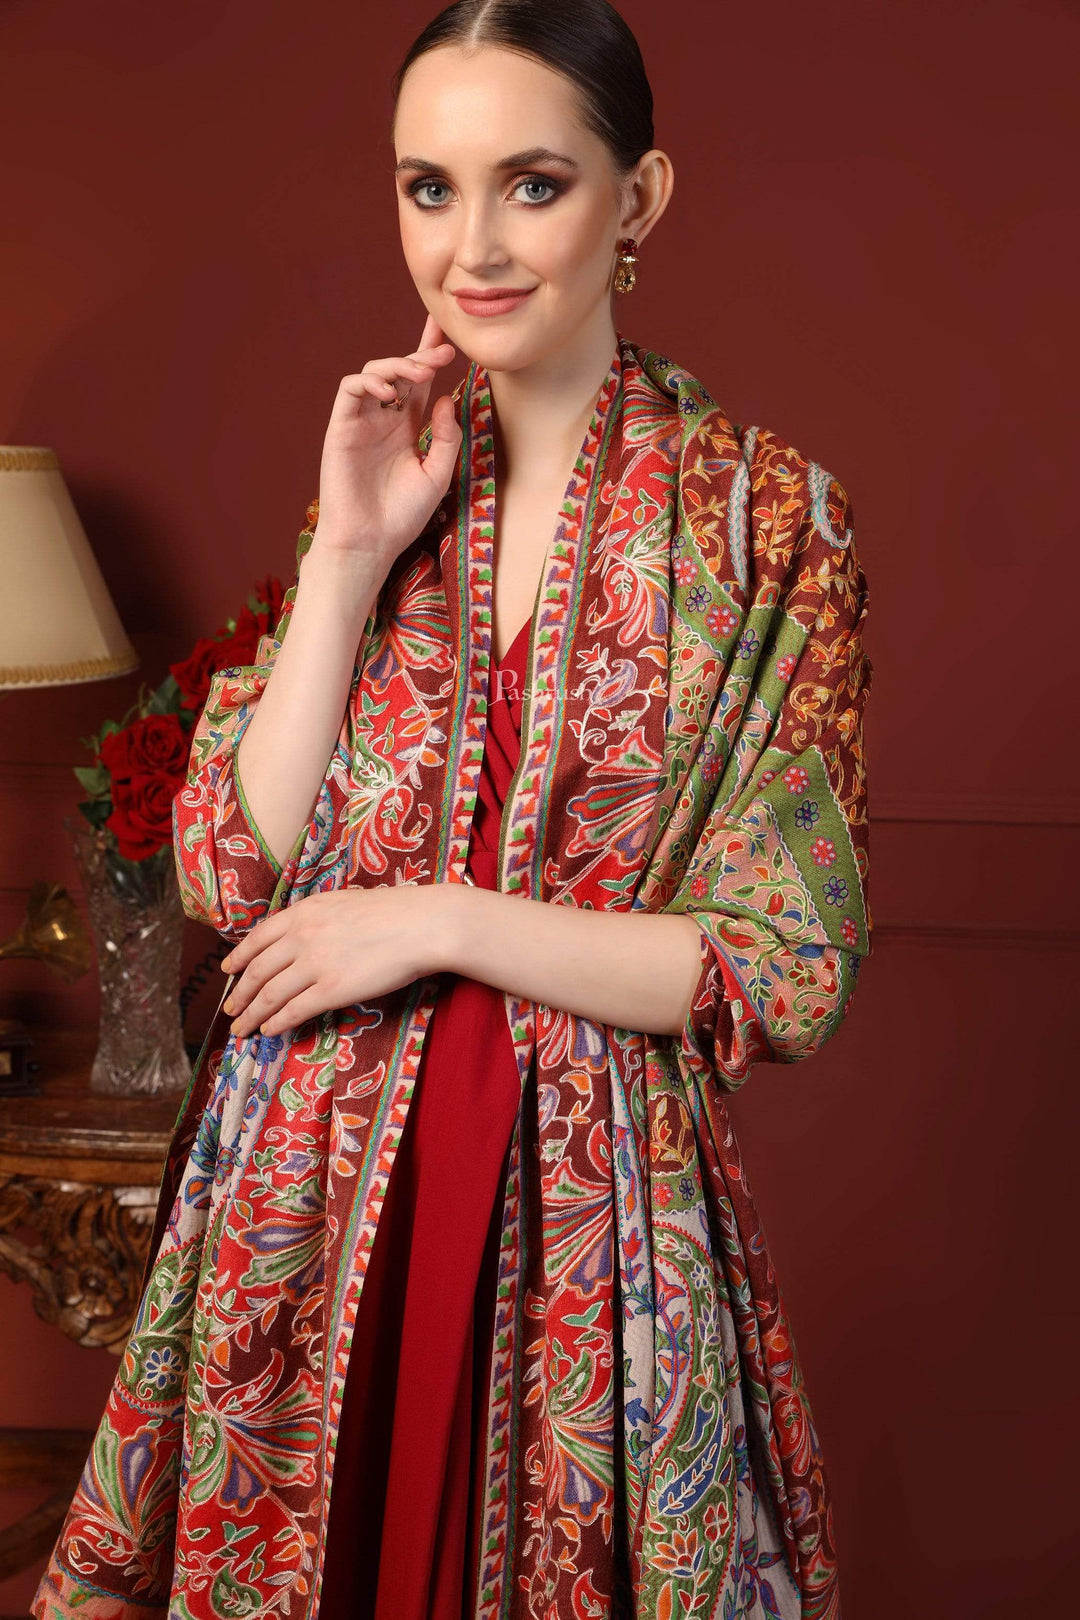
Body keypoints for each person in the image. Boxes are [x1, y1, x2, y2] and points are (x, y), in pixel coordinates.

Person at [33, 3, 872, 1618]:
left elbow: (780, 966)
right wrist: (350, 552)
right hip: (299, 1201)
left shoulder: (770, 523)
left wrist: (436, 921)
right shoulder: (386, 477)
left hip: (593, 1226)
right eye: (429, 186)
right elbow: (226, 867)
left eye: (531, 184)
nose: (470, 246)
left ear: (639, 199)